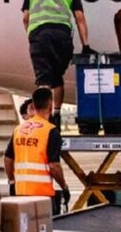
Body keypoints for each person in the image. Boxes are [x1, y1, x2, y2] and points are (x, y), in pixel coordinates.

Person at [22, 0, 91, 128]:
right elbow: (79, 18)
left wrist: (31, 36)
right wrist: (86, 45)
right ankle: (57, 116)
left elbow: (25, 17)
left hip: (39, 35)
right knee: (57, 79)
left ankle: (41, 118)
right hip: (62, 36)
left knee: (43, 81)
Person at [4, 87, 71, 216]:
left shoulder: (19, 129)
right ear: (50, 106)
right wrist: (64, 187)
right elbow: (54, 166)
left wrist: (12, 181)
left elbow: (7, 158)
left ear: (33, 106)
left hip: (20, 192)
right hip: (41, 195)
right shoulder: (50, 131)